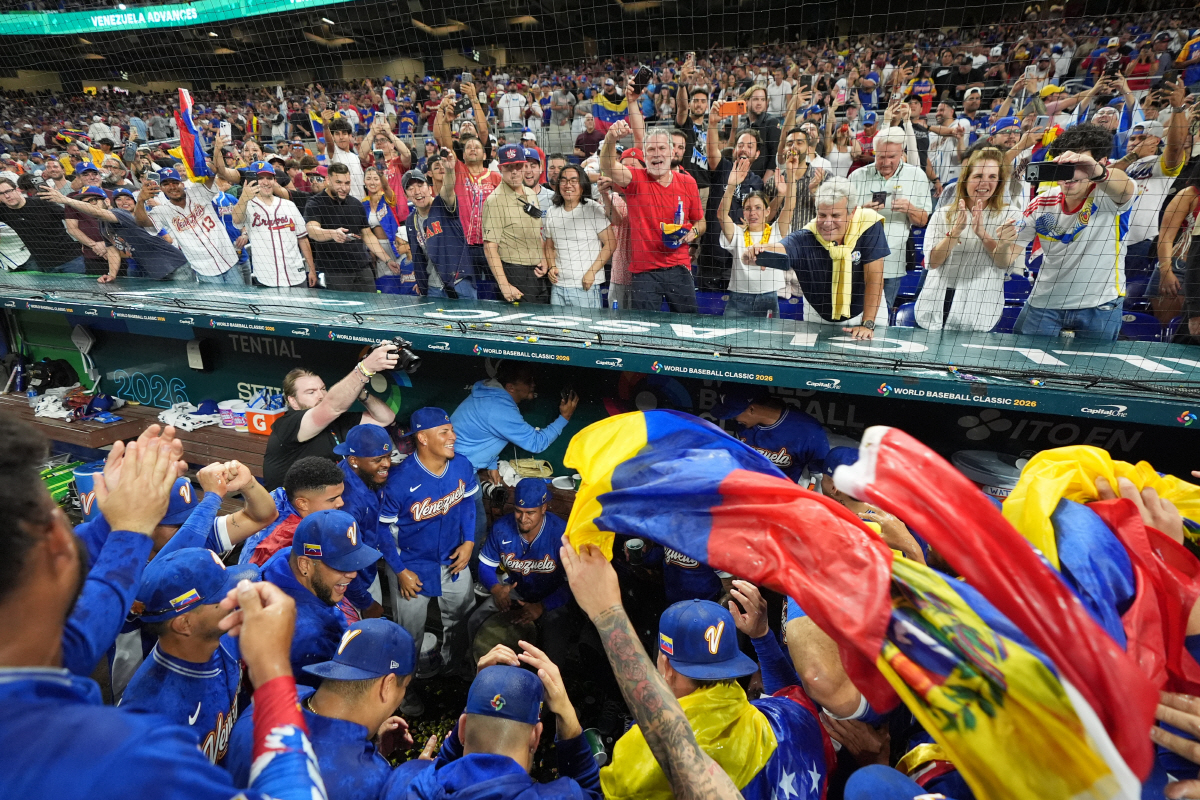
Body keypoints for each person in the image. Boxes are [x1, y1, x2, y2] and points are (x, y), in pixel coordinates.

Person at [0, 417, 324, 800]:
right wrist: (273, 673)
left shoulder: (40, 654)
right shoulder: (129, 752)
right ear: (57, 540)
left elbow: (102, 595)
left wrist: (121, 524)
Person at [226, 619, 420, 800]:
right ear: (387, 685)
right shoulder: (370, 781)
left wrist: (370, 748)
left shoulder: (269, 700)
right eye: (404, 686)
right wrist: (417, 786)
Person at [382, 659, 600, 800]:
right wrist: (567, 715)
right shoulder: (564, 796)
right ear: (535, 737)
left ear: (462, 728)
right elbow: (590, 793)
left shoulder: (407, 783)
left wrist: (428, 769)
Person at [119, 548, 260, 764]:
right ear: (185, 623)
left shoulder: (224, 636)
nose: (236, 598)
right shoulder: (152, 716)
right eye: (222, 596)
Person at [377, 408, 478, 685]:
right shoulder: (399, 481)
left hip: (453, 559)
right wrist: (399, 571)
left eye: (452, 430)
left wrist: (469, 541)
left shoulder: (462, 465)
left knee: (461, 621)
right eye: (444, 432)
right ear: (422, 437)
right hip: (411, 566)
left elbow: (468, 501)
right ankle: (403, 691)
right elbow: (381, 530)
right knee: (409, 634)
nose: (452, 437)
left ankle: (452, 667)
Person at [1011, 123, 1137, 339]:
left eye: (1080, 165)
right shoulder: (1041, 201)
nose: (1070, 174)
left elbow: (1125, 188)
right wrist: (999, 241)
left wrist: (1094, 168)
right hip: (1044, 304)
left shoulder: (1109, 195)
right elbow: (1008, 256)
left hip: (1099, 306)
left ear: (1102, 164)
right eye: (1065, 165)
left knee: (1094, 373)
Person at [744, 177, 888, 339]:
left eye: (835, 215)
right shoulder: (806, 236)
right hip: (819, 317)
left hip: (867, 312)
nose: (827, 222)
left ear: (852, 212)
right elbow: (780, 247)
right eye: (822, 215)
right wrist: (755, 251)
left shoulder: (868, 224)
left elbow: (874, 278)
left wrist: (867, 323)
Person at [451, 360, 578, 541]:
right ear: (510, 387)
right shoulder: (499, 406)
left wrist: (491, 462)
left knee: (474, 525)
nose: (533, 384)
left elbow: (482, 433)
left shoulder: (491, 394)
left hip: (461, 468)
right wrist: (564, 417)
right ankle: (467, 566)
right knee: (472, 529)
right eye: (527, 381)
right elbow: (536, 443)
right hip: (456, 474)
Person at [260, 508, 382, 684]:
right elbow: (317, 698)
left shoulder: (286, 559)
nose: (353, 574)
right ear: (305, 565)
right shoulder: (307, 634)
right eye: (340, 565)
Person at [262, 342, 399, 491]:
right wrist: (365, 369)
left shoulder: (337, 419)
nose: (321, 396)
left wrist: (360, 393)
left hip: (328, 498)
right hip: (291, 507)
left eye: (323, 389)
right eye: (311, 392)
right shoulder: (289, 423)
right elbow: (331, 406)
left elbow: (385, 418)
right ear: (293, 401)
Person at [600, 121, 705, 313]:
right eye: (651, 149)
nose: (657, 153)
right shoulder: (635, 179)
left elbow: (701, 221)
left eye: (662, 148)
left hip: (679, 268)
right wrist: (610, 138)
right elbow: (607, 166)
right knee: (644, 330)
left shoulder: (688, 182)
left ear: (672, 153)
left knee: (689, 325)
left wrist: (694, 232)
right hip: (644, 272)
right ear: (645, 156)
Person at [470, 479, 574, 666]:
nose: (523, 518)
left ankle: (549, 690)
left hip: (552, 595)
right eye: (519, 511)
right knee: (475, 621)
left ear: (543, 508)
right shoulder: (502, 528)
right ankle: (478, 675)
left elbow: (572, 584)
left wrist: (542, 606)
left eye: (530, 513)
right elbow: (485, 565)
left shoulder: (561, 534)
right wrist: (495, 589)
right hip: (516, 590)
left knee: (554, 648)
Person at [916, 148, 1021, 332]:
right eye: (978, 175)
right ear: (965, 180)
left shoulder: (1011, 215)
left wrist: (983, 234)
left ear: (999, 181)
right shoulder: (943, 214)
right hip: (936, 306)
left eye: (992, 177)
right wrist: (954, 233)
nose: (984, 183)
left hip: (980, 312)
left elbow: (1003, 263)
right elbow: (932, 262)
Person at [1108, 79, 1189, 279]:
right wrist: (1133, 155)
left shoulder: (1160, 164)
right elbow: (1102, 177)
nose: (1133, 143)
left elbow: (1176, 145)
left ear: (1155, 141)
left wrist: (1178, 109)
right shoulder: (1121, 162)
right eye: (1132, 139)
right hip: (1111, 242)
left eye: (1140, 138)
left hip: (1142, 241)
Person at [36, 183, 191, 282]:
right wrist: (112, 274)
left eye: (93, 200)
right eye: (84, 203)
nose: (89, 205)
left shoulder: (119, 214)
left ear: (107, 201)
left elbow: (98, 212)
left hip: (176, 267)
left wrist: (67, 200)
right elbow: (112, 250)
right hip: (156, 271)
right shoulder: (103, 225)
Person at [849, 126, 932, 310]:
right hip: (859, 261)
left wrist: (910, 209)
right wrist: (862, 210)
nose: (885, 162)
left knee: (882, 313)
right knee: (854, 312)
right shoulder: (857, 176)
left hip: (894, 261)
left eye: (891, 157)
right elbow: (843, 217)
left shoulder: (917, 176)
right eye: (881, 156)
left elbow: (923, 220)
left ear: (902, 153)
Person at [717, 153, 798, 318]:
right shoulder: (738, 233)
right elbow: (721, 215)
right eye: (748, 208)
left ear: (768, 211)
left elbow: (789, 207)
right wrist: (732, 185)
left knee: (768, 343)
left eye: (758, 208)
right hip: (738, 298)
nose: (752, 212)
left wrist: (792, 175)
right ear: (743, 212)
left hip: (768, 298)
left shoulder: (776, 231)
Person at [304, 163, 402, 292]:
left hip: (362, 269)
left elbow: (367, 235)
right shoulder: (315, 203)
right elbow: (312, 231)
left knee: (371, 308)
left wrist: (387, 260)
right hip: (336, 272)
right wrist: (332, 233)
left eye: (347, 183)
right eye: (339, 182)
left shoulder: (356, 204)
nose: (343, 188)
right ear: (328, 180)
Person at [135, 168, 244, 285]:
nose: (172, 187)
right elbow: (142, 222)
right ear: (161, 189)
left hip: (229, 260)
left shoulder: (198, 192)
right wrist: (140, 200)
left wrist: (198, 163)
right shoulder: (162, 211)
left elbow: (211, 174)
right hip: (205, 269)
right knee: (217, 303)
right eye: (166, 184)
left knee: (239, 301)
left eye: (175, 183)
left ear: (182, 183)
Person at [709, 385, 829, 484]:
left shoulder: (809, 431)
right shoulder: (744, 424)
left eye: (734, 414)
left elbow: (820, 479)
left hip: (785, 500)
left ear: (751, 409)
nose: (733, 419)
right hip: (747, 492)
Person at [483, 143, 551, 303]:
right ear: (500, 168)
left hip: (538, 273)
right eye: (509, 167)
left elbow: (536, 232)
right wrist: (505, 285)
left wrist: (544, 258)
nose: (514, 172)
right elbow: (489, 248)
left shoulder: (530, 193)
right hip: (514, 274)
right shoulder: (494, 201)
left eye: (518, 166)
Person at [249, 456, 347, 567]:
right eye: (332, 499)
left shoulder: (279, 495)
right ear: (302, 503)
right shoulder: (292, 540)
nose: (341, 503)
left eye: (341, 495)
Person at [231, 161, 316, 288]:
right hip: (266, 279)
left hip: (295, 276)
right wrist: (244, 197)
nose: (266, 182)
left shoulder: (289, 205)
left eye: (269, 178)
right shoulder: (247, 205)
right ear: (252, 180)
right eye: (260, 178)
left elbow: (303, 239)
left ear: (274, 180)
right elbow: (236, 220)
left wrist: (312, 270)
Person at [404, 159, 478, 299]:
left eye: (420, 185)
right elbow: (418, 256)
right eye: (410, 188)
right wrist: (421, 282)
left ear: (430, 188)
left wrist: (450, 170)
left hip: (459, 282)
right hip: (434, 289)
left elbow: (448, 188)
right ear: (407, 196)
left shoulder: (442, 205)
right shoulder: (410, 221)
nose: (417, 191)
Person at [542, 164, 613, 307]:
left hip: (586, 287)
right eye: (564, 180)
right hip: (558, 287)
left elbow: (611, 244)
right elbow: (549, 246)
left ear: (582, 185)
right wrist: (552, 266)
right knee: (557, 329)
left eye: (574, 181)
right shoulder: (551, 212)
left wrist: (591, 272)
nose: (568, 185)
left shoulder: (593, 209)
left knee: (587, 329)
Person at [0, 177, 87, 273]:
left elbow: (76, 218)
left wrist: (85, 242)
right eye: (1, 194)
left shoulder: (42, 203)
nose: (7, 196)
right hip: (45, 266)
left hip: (72, 259)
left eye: (8, 191)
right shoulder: (4, 211)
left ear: (17, 190)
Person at [321, 115, 366, 200]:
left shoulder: (355, 157)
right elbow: (329, 143)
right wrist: (326, 126)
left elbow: (361, 184)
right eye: (337, 134)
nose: (341, 137)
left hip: (361, 204)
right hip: (343, 204)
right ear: (333, 137)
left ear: (350, 136)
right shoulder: (332, 152)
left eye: (344, 133)